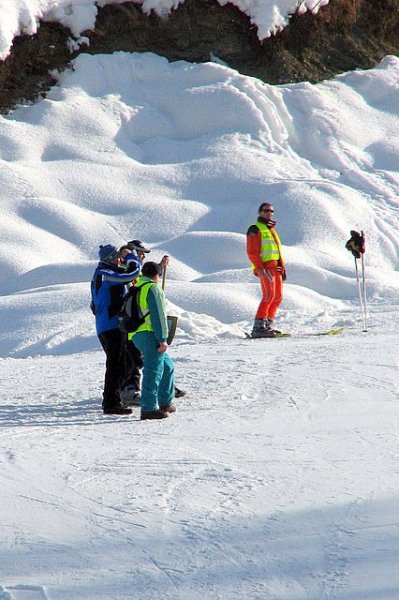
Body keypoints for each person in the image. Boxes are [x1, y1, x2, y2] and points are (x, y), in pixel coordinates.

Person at [119, 239, 187, 404]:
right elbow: (142, 281)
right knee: (133, 358)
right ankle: (131, 391)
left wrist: (160, 267)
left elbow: (147, 277)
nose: (142, 256)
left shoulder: (137, 271)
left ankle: (166, 386)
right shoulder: (126, 270)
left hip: (134, 324)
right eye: (140, 253)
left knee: (146, 358)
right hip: (130, 322)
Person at [90, 244, 141, 415]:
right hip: (110, 326)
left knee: (126, 363)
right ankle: (111, 402)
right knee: (116, 364)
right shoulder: (106, 274)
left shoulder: (102, 274)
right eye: (117, 257)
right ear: (109, 258)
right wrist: (130, 256)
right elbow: (132, 274)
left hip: (108, 325)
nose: (119, 260)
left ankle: (113, 397)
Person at [128, 261, 176, 420]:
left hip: (136, 333)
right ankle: (149, 408)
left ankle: (165, 402)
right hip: (150, 334)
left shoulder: (137, 286)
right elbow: (158, 315)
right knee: (153, 370)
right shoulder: (153, 288)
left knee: (167, 366)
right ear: (157, 276)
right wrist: (163, 338)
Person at [246, 202, 286, 338]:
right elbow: (252, 251)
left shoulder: (271, 230)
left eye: (271, 211)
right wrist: (260, 268)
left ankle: (267, 325)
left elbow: (277, 251)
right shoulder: (255, 228)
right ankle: (258, 327)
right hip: (265, 268)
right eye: (266, 210)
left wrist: (282, 269)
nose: (269, 213)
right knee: (268, 296)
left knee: (277, 297)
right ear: (260, 212)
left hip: (276, 268)